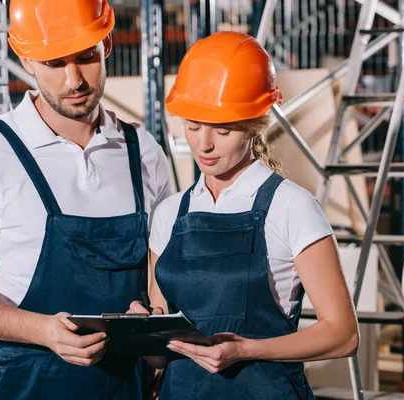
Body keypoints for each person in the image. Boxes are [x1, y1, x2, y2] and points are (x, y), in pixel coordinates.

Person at [0, 0, 171, 398]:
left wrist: (155, 328)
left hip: (126, 386)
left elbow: (161, 266)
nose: (74, 80)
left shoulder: (143, 152)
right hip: (28, 383)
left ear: (107, 43)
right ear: (26, 59)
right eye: (55, 63)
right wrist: (43, 330)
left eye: (86, 57)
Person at [129, 32, 359, 399]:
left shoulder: (291, 206)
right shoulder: (169, 214)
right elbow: (160, 359)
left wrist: (247, 349)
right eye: (192, 126)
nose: (204, 144)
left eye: (222, 130)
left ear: (254, 125)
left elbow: (343, 334)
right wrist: (144, 331)